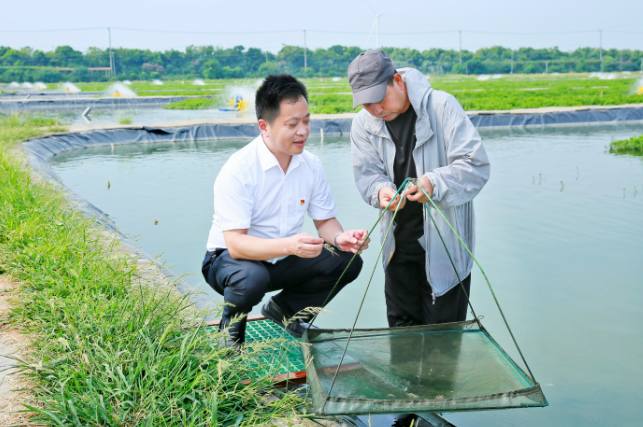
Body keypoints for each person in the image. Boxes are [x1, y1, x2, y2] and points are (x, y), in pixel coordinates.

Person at [202, 74, 369, 348]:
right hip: (228, 261)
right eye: (292, 124)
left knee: (346, 259)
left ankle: (284, 312)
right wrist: (290, 245)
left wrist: (341, 238)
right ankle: (229, 338)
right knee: (252, 277)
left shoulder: (311, 165)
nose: (303, 131)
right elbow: (236, 245)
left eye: (306, 121)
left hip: (282, 258)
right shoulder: (239, 169)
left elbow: (325, 221)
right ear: (264, 126)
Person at [348, 50, 490, 328]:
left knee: (443, 343)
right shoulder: (363, 124)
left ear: (398, 81)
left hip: (445, 251)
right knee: (401, 340)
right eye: (366, 104)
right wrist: (380, 192)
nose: (376, 110)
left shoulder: (442, 107)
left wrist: (433, 184)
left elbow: (475, 166)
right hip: (397, 249)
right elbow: (367, 175)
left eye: (379, 99)